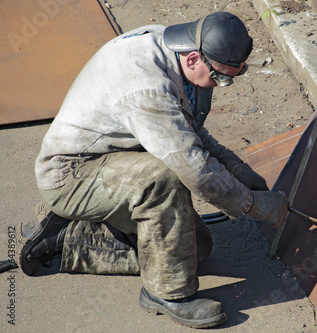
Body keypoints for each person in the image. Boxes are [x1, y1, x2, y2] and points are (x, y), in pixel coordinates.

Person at [15, 12, 289, 329]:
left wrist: (238, 170)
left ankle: (70, 233)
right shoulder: (146, 87)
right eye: (220, 77)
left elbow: (189, 132)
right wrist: (253, 205)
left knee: (196, 250)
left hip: (112, 162)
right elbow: (194, 166)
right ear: (193, 59)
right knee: (166, 178)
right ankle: (167, 294)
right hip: (71, 175)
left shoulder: (174, 47)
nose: (222, 85)